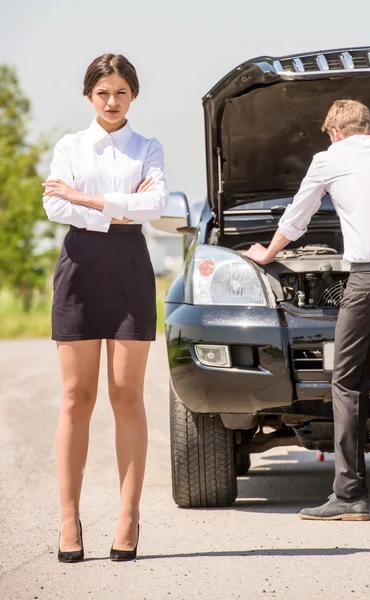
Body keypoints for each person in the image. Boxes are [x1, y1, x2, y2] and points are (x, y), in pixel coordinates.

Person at [243, 99, 370, 524]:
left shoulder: (328, 158)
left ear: (334, 132)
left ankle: (350, 496)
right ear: (369, 126)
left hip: (368, 281)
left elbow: (298, 217)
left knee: (348, 383)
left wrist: (268, 252)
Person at [42, 53, 168, 562]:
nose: (112, 101)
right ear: (89, 96)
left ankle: (127, 517)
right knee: (76, 397)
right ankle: (68, 519)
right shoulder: (69, 146)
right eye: (102, 93)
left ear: (132, 94)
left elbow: (155, 207)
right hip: (78, 269)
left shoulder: (148, 147)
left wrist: (88, 199)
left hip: (130, 272)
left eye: (120, 92)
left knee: (126, 397)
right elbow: (55, 206)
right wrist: (117, 208)